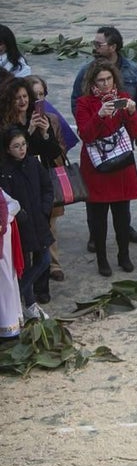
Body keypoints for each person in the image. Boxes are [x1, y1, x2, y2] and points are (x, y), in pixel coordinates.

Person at [75, 61, 137, 277]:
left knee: (122, 216)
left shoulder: (122, 98)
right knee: (99, 218)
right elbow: (85, 135)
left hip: (121, 163)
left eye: (108, 79)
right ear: (93, 82)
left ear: (114, 79)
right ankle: (102, 259)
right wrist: (100, 115)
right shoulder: (84, 103)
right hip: (97, 167)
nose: (105, 84)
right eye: (100, 80)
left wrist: (132, 112)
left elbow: (135, 132)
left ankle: (124, 256)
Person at [25, 75, 76, 284]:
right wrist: (28, 131)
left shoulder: (52, 119)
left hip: (48, 174)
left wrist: (46, 134)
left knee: (51, 224)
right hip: (27, 178)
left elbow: (60, 150)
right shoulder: (18, 120)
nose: (38, 100)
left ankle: (54, 264)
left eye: (41, 95)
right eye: (33, 95)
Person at [0, 127, 52, 317]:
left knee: (44, 259)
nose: (21, 149)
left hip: (38, 220)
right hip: (20, 225)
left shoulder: (33, 163)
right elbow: (5, 200)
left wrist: (45, 208)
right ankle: (29, 305)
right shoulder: (5, 171)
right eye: (16, 146)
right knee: (24, 264)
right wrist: (19, 214)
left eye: (23, 145)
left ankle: (17, 294)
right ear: (7, 149)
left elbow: (47, 186)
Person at [71, 26, 137, 115]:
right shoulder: (86, 71)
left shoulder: (133, 70)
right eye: (94, 44)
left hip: (127, 124)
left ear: (113, 47)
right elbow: (76, 101)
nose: (95, 48)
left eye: (98, 45)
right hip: (97, 124)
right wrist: (85, 124)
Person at [0, 187, 22, 337]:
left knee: (5, 280)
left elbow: (14, 205)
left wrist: (4, 220)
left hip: (3, 243)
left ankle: (9, 326)